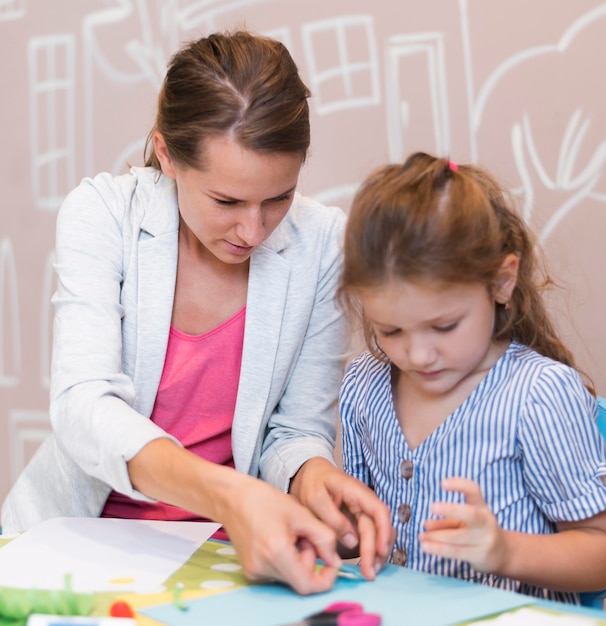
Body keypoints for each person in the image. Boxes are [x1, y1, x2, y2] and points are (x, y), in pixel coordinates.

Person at [0, 30, 393, 594]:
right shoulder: (103, 214)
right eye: (227, 201)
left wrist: (315, 476)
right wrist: (229, 493)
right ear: (167, 155)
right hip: (76, 545)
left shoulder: (321, 242)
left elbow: (295, 430)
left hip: (226, 559)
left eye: (278, 197)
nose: (253, 231)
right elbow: (84, 405)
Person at [337, 151, 606, 603]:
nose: (418, 354)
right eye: (390, 330)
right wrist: (329, 528)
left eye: (444, 326)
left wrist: (503, 550)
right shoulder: (364, 384)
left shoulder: (540, 396)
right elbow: (358, 528)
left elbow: (605, 555)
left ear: (502, 282)